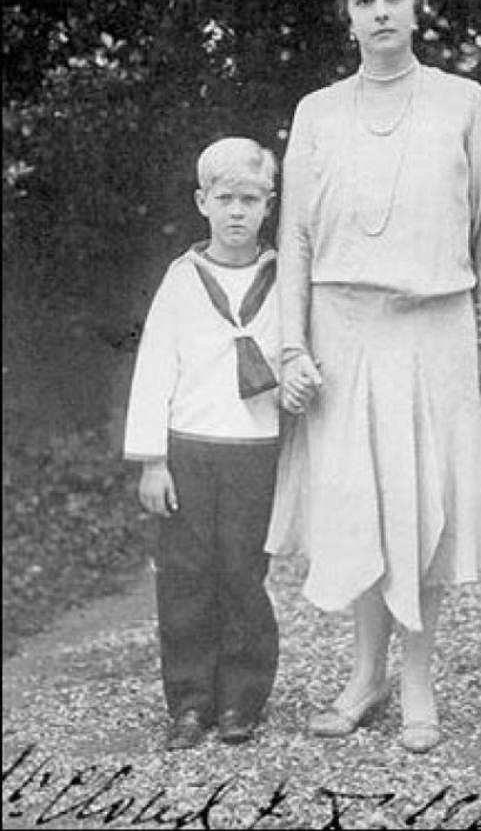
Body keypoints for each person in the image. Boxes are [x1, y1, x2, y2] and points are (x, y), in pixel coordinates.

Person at [265, 0, 481, 753]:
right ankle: (364, 674)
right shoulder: (317, 112)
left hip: (436, 330)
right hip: (343, 337)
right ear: (347, 17)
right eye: (365, 0)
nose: (381, 12)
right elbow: (295, 240)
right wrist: (291, 347)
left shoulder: (462, 101)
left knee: (423, 512)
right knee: (361, 510)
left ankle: (415, 682)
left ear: (417, 7)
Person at [124, 137, 281, 750]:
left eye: (250, 199)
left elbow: (302, 354)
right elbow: (155, 367)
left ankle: (242, 700)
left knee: (244, 573)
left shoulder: (284, 277)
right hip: (189, 447)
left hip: (255, 448)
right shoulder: (183, 278)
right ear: (202, 202)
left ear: (269, 205)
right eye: (225, 199)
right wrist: (152, 461)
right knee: (186, 577)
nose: (238, 211)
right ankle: (190, 702)